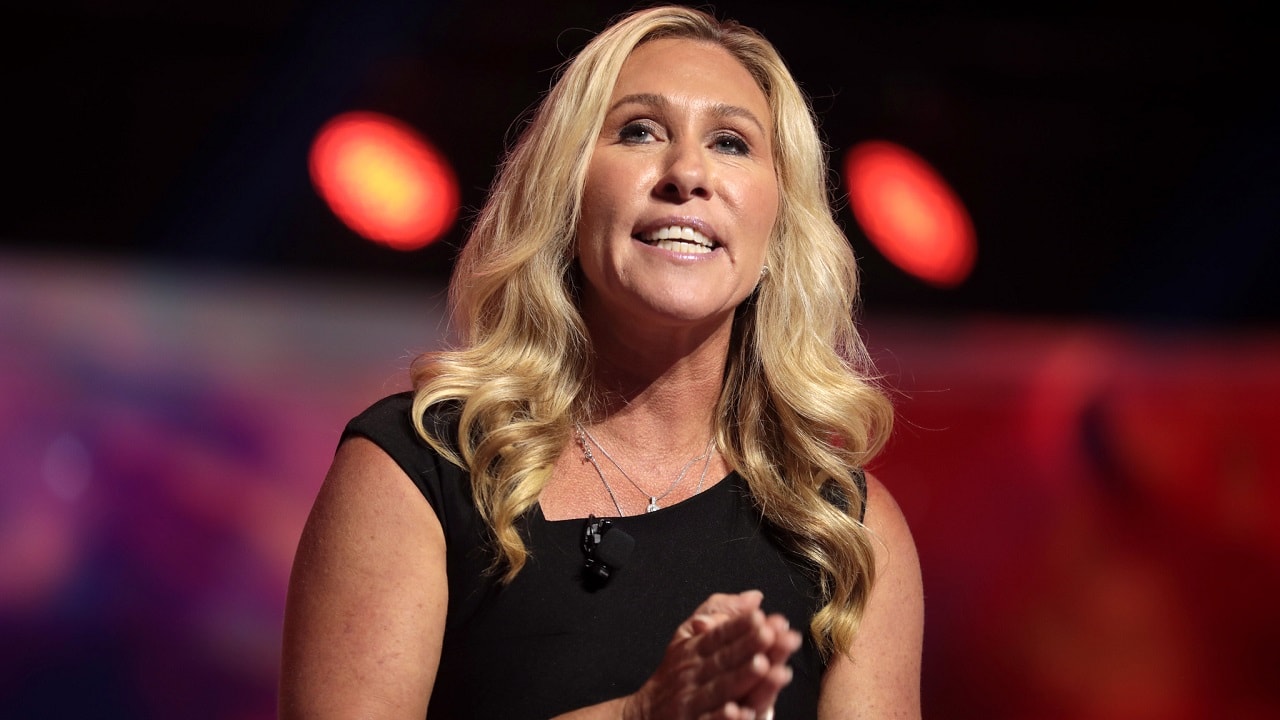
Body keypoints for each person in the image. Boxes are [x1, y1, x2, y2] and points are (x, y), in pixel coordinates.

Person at [280, 5, 923, 718]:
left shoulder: (846, 532)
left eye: (732, 143)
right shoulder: (420, 467)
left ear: (777, 227)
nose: (686, 173)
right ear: (568, 195)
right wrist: (638, 715)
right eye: (639, 131)